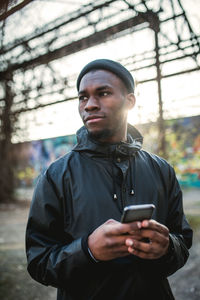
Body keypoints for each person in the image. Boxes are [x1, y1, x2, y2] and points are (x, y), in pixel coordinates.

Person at [26, 59, 193, 300]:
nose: (90, 105)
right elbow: (39, 262)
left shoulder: (162, 170)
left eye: (103, 93)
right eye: (83, 97)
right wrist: (87, 250)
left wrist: (168, 248)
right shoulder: (55, 175)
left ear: (130, 101)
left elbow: (182, 242)